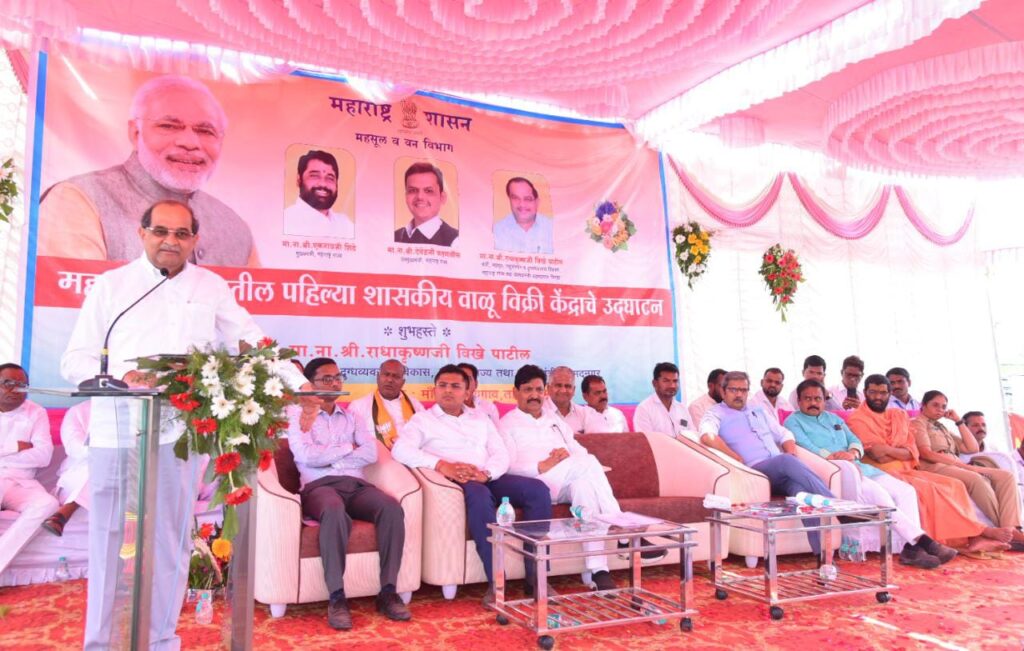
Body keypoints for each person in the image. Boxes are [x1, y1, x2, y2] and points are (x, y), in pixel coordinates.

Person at [60, 199, 309, 650]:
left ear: (195, 239)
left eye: (181, 233)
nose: (170, 241)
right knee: (111, 542)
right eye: (160, 231)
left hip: (178, 435)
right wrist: (122, 378)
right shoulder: (112, 286)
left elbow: (251, 339)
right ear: (142, 233)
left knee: (171, 541)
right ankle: (100, 644)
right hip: (118, 433)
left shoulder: (209, 286)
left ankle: (161, 641)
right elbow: (75, 359)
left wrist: (301, 383)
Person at [38, 75, 257, 266]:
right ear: (136, 133)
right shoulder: (79, 199)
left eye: (205, 131)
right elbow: (70, 298)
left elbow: (256, 301)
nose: (190, 142)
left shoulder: (235, 228)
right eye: (169, 126)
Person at [392, 365, 552, 606]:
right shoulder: (422, 420)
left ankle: (537, 577)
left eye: (455, 386)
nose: (448, 390)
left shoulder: (480, 418)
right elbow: (400, 450)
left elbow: (500, 453)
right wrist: (441, 465)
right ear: (434, 390)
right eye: (442, 385)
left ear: (467, 392)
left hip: (487, 476)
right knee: (479, 498)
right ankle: (497, 582)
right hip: (458, 481)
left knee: (537, 490)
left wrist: (487, 473)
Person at [286, 357, 410, 630]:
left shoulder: (353, 417)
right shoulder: (297, 416)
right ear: (310, 384)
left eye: (337, 378)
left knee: (391, 507)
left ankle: (388, 591)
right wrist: (346, 449)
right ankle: (337, 597)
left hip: (355, 485)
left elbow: (370, 452)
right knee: (334, 511)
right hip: (320, 487)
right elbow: (306, 455)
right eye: (326, 379)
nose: (334, 383)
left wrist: (331, 458)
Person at [784, 380, 956, 567]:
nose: (813, 403)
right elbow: (804, 445)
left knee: (907, 491)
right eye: (807, 399)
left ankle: (911, 548)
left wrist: (853, 452)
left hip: (861, 467)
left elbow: (854, 440)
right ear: (799, 401)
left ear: (824, 400)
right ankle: (925, 543)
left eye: (817, 398)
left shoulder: (834, 419)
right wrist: (832, 456)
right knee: (883, 498)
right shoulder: (793, 421)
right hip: (835, 471)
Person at [846, 374, 1012, 553]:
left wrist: (891, 450)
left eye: (883, 393)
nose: (878, 397)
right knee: (930, 489)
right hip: (882, 472)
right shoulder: (858, 419)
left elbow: (912, 451)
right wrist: (899, 451)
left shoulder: (898, 415)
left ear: (889, 394)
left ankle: (972, 537)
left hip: (909, 468)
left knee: (954, 485)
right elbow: (878, 455)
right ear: (865, 392)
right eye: (873, 392)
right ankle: (972, 534)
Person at [499, 365, 628, 591]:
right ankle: (623, 530)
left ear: (544, 392)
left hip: (567, 479)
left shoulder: (553, 419)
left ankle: (599, 571)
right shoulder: (506, 424)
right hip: (538, 484)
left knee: (585, 487)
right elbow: (506, 467)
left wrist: (572, 457)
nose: (534, 395)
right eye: (528, 390)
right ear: (515, 392)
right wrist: (541, 466)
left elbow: (576, 448)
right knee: (588, 464)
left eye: (538, 390)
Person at [698, 371, 833, 555]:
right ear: (723, 391)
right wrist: (735, 457)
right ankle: (835, 504)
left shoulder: (758, 410)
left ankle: (822, 556)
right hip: (754, 471)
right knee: (786, 460)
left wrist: (791, 452)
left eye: (743, 390)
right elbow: (708, 436)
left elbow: (783, 434)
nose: (739, 394)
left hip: (779, 469)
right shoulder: (715, 413)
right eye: (734, 390)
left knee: (802, 494)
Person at [909, 391, 1024, 549]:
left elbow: (972, 447)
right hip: (935, 466)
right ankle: (1003, 532)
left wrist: (958, 421)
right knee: (976, 479)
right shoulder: (918, 423)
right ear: (923, 405)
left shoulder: (941, 427)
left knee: (1006, 476)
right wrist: (959, 464)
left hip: (954, 465)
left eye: (943, 406)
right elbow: (926, 453)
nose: (940, 410)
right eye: (935, 405)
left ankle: (1010, 528)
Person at [0, 363, 58, 577]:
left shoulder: (36, 412)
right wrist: (16, 446)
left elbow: (44, 456)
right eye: (8, 383)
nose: (15, 389)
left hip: (21, 482)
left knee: (48, 504)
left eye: (22, 385)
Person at [348, 360, 424, 450]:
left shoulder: (415, 405)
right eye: (386, 374)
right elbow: (350, 442)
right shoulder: (358, 406)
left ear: (403, 382)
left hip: (412, 454)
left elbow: (427, 433)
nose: (390, 380)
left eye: (396, 376)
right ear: (378, 377)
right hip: (375, 456)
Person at [41, 401, 91, 537]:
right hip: (77, 476)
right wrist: (106, 449)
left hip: (123, 476)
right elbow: (73, 447)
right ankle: (67, 510)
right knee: (104, 467)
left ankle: (64, 513)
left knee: (112, 468)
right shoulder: (79, 411)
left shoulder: (138, 408)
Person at [283, 150, 354, 239]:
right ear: (299, 180)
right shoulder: (285, 220)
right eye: (314, 176)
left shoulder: (345, 224)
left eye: (330, 178)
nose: (323, 184)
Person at [394, 162, 458, 246]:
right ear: (406, 196)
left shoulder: (456, 241)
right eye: (413, 190)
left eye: (428, 191)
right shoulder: (395, 236)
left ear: (442, 197)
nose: (420, 197)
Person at [492, 177, 554, 254]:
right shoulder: (496, 231)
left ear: (537, 202)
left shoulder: (552, 228)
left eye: (527, 199)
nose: (522, 204)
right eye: (515, 198)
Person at [633, 362, 693, 439]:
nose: (672, 385)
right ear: (654, 383)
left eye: (675, 381)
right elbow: (646, 441)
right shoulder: (644, 409)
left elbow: (692, 435)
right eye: (666, 381)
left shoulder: (682, 408)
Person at [543, 366, 602, 435]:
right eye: (558, 385)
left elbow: (598, 439)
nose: (563, 390)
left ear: (573, 390)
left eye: (567, 386)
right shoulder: (537, 411)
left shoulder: (586, 414)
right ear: (548, 388)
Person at [458, 362, 500, 427]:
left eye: (468, 379)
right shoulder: (449, 408)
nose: (465, 383)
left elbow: (497, 430)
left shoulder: (489, 406)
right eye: (461, 379)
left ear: (476, 384)